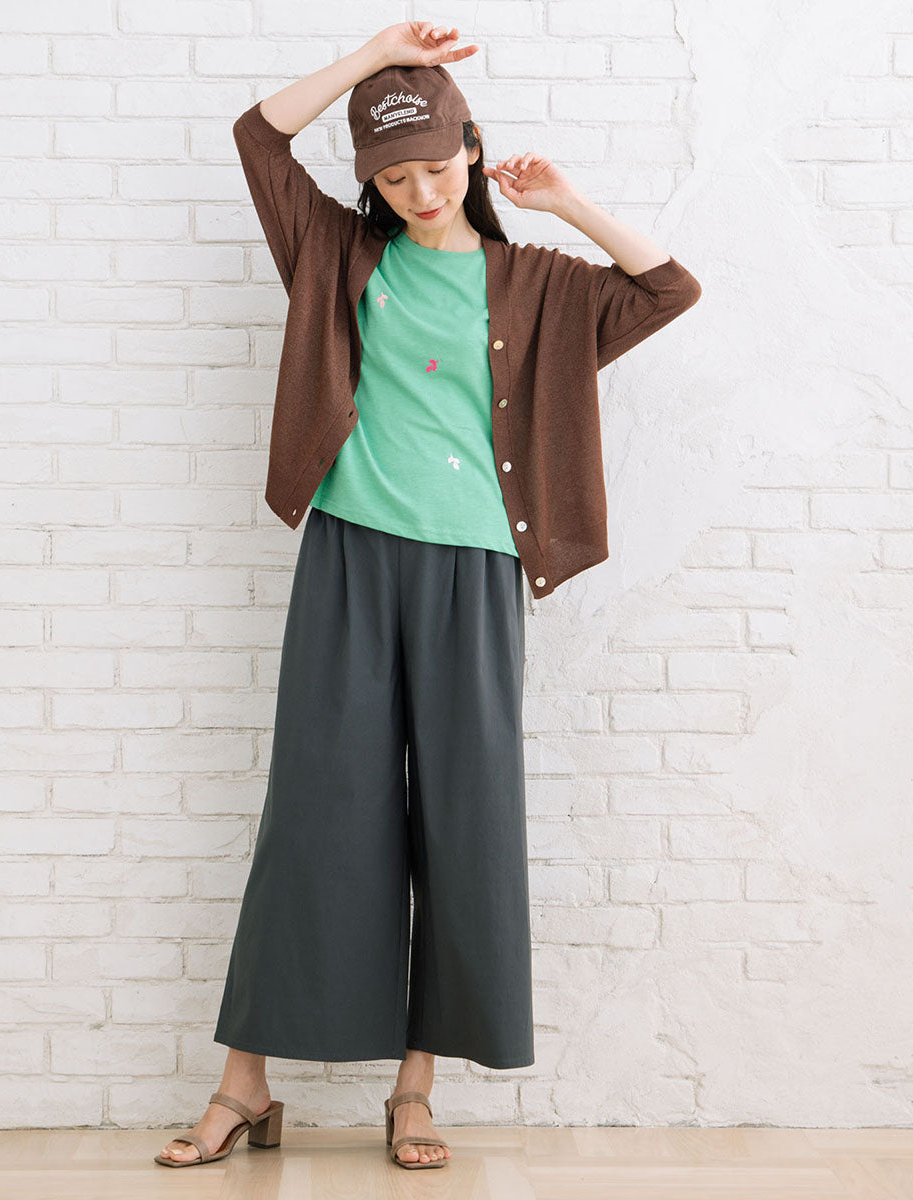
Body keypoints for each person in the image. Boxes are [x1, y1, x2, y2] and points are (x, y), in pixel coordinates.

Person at [156, 19, 701, 1172]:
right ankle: (244, 1084)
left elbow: (666, 288)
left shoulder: (536, 284)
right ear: (369, 181)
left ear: (472, 152)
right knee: (314, 814)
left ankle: (414, 1090)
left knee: (461, 818)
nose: (418, 193)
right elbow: (258, 137)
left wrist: (567, 203)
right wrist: (369, 58)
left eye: (437, 168)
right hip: (350, 559)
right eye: (393, 177)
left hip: (476, 572)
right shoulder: (335, 253)